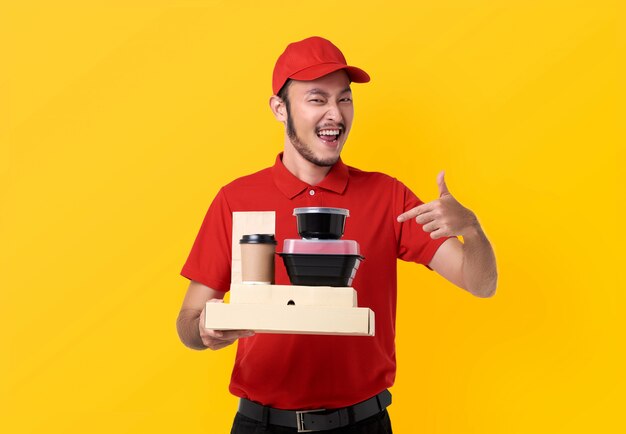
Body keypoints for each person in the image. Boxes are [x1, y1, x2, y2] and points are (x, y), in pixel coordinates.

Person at [176, 36, 497, 433]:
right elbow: (188, 322)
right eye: (317, 99)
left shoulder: (389, 196)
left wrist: (473, 231)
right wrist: (205, 332)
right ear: (280, 109)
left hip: (364, 423)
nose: (335, 114)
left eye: (344, 99)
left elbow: (480, 283)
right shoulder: (235, 199)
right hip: (262, 425)